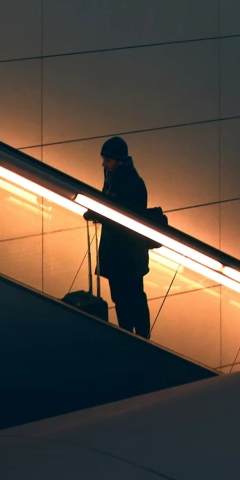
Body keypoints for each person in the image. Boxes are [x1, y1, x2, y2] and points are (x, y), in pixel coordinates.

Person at [97, 136, 153, 338]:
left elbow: (127, 218)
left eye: (108, 160)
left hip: (126, 255)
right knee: (126, 297)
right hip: (123, 254)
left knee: (130, 297)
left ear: (119, 161)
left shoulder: (129, 184)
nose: (104, 164)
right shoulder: (118, 179)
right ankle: (132, 336)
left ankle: (134, 337)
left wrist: (101, 214)